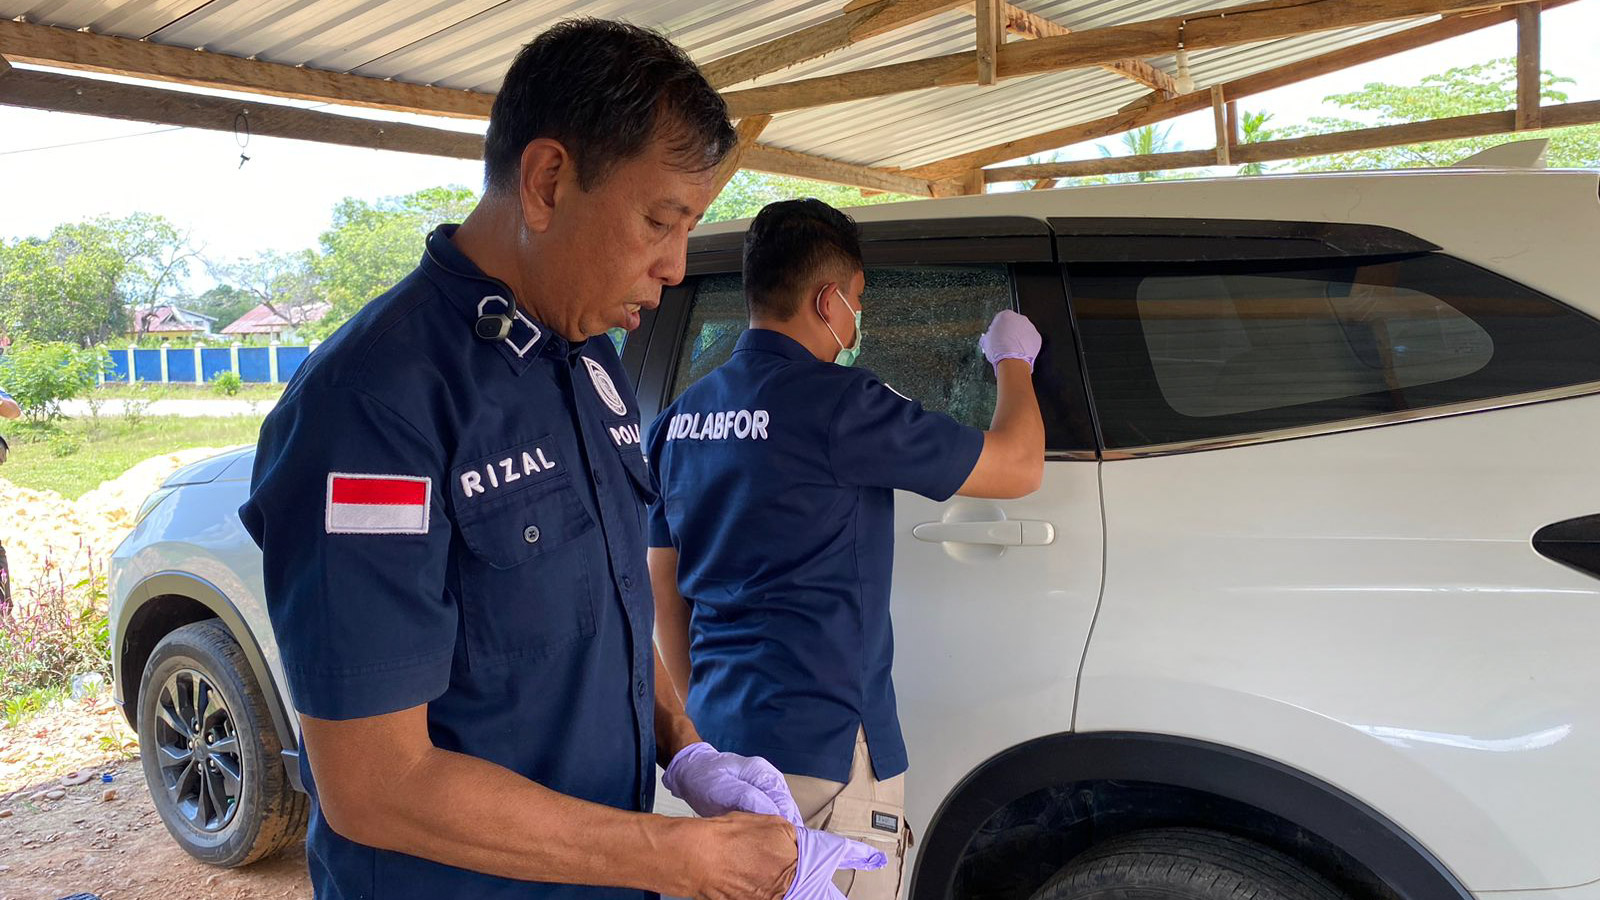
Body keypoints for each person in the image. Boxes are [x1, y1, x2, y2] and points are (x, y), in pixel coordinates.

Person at [240, 22, 879, 900]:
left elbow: (606, 595)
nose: (674, 265)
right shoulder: (372, 408)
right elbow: (373, 784)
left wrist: (685, 747)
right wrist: (673, 857)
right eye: (660, 220)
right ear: (546, 183)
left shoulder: (584, 357)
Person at [646, 199, 1046, 898]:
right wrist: (1012, 361)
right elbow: (1017, 466)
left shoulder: (680, 419)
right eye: (858, 301)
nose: (858, 321)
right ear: (828, 299)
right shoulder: (841, 404)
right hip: (826, 758)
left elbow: (665, 588)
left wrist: (703, 735)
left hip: (721, 750)